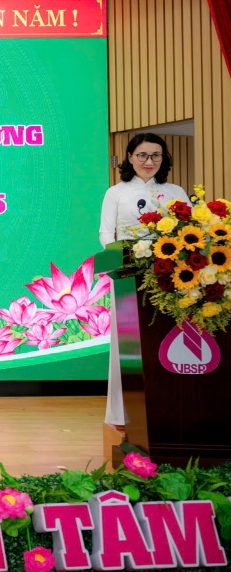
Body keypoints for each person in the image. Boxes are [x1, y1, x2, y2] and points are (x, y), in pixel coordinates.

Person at [99, 132, 188, 426]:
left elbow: (188, 229)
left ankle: (168, 411)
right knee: (128, 344)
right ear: (130, 157)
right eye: (142, 155)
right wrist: (124, 257)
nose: (149, 161)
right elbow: (105, 234)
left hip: (170, 276)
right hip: (129, 275)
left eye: (156, 155)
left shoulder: (175, 191)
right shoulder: (116, 192)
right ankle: (124, 414)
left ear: (163, 159)